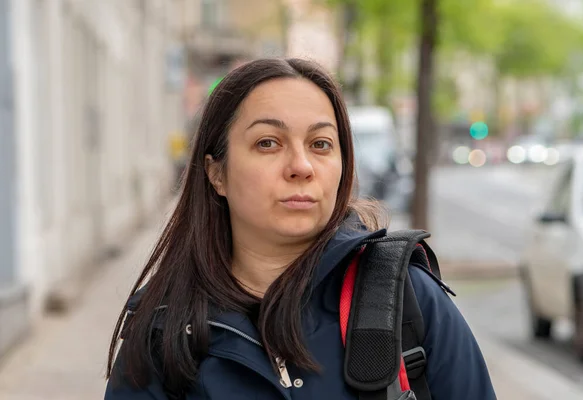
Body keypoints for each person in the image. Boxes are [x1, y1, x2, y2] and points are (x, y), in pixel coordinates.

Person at [104, 58, 496, 400]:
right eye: (268, 143)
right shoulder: (162, 331)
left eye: (321, 144)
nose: (301, 166)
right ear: (216, 173)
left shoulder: (407, 301)